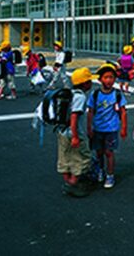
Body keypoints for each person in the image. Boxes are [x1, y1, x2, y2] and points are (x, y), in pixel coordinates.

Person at [87, 63, 127, 189]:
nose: (109, 80)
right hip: (98, 128)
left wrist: (124, 128)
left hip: (111, 128)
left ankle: (110, 175)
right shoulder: (95, 94)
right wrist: (89, 127)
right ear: (100, 79)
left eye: (111, 77)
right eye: (106, 77)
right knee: (98, 152)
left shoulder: (117, 94)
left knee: (109, 152)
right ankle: (100, 170)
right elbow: (90, 111)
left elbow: (123, 111)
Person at [58, 67, 94, 197]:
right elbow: (74, 116)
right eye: (90, 81)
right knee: (82, 158)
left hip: (62, 131)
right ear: (85, 83)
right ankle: (72, 184)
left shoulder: (70, 94)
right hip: (73, 132)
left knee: (65, 156)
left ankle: (67, 180)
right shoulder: (80, 97)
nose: (91, 83)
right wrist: (75, 136)